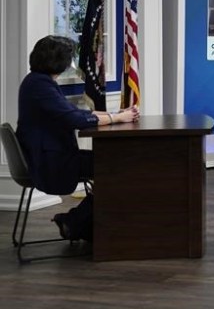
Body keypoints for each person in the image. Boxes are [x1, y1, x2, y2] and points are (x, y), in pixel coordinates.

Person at [17, 35, 139, 242]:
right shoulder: (40, 85)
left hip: (52, 156)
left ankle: (77, 222)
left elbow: (72, 111)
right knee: (118, 168)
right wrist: (118, 118)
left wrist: (117, 113)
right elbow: (75, 119)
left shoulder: (38, 82)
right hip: (51, 162)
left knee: (112, 165)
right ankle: (76, 222)